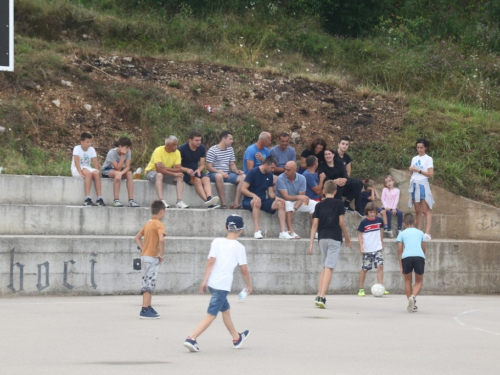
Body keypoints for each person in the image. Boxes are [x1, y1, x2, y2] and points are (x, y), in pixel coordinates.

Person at [183, 214, 252, 352]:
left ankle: (236, 337)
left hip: (213, 284)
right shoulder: (239, 247)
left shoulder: (217, 242)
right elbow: (244, 270)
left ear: (226, 227)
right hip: (222, 286)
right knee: (211, 314)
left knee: (225, 310)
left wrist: (205, 280)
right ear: (241, 230)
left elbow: (210, 262)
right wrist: (249, 285)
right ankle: (192, 338)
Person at [308, 180, 352, 309]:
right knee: (329, 267)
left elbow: (314, 225)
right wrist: (348, 238)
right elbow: (341, 223)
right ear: (335, 191)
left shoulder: (319, 205)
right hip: (334, 237)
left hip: (322, 238)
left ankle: (318, 294)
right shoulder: (339, 203)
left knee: (324, 266)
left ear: (323, 191)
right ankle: (322, 296)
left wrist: (311, 243)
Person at [241, 156, 292, 239]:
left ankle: (282, 232)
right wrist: (253, 195)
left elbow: (270, 193)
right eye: (271, 168)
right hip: (249, 200)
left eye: (274, 168)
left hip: (262, 200)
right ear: (266, 164)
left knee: (281, 203)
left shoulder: (270, 175)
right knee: (257, 202)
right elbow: (243, 189)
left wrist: (276, 198)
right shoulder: (253, 172)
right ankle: (257, 231)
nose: (273, 170)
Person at [134, 200, 166, 319]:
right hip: (152, 256)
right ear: (161, 212)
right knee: (149, 282)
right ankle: (145, 308)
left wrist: (143, 249)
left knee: (149, 281)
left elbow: (137, 237)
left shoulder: (148, 223)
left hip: (145, 256)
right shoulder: (158, 224)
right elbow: (161, 240)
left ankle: (148, 306)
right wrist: (161, 255)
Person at [145, 135, 189, 209]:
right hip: (151, 172)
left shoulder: (177, 152)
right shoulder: (158, 150)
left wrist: (165, 168)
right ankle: (161, 200)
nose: (176, 146)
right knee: (159, 175)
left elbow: (178, 169)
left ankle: (179, 201)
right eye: (174, 145)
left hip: (165, 173)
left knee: (180, 176)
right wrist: (173, 173)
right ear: (168, 145)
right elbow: (159, 170)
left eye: (176, 144)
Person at [178, 131, 220, 209]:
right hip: (185, 172)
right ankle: (208, 202)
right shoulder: (182, 149)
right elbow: (177, 166)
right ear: (190, 140)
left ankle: (209, 197)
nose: (199, 142)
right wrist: (187, 170)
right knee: (197, 180)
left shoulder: (202, 148)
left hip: (195, 170)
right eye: (196, 140)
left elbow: (202, 165)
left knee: (206, 178)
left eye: (200, 140)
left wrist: (198, 170)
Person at [276, 161, 317, 239]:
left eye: (288, 170)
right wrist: (298, 197)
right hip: (285, 200)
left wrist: (296, 207)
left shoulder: (302, 178)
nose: (285, 172)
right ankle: (291, 231)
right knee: (287, 203)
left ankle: (315, 231)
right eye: (285, 169)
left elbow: (302, 197)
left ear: (295, 170)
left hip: (298, 202)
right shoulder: (281, 178)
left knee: (315, 205)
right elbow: (285, 196)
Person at [206, 131, 246, 209]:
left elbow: (232, 164)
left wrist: (236, 171)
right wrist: (220, 172)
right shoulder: (213, 150)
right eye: (230, 139)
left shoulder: (230, 149)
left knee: (243, 177)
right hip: (214, 173)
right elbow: (208, 167)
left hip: (227, 173)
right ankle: (223, 203)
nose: (232, 141)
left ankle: (236, 203)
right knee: (219, 176)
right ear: (223, 139)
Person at [357, 202, 389, 297]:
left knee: (380, 267)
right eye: (370, 212)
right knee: (365, 269)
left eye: (374, 212)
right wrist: (361, 246)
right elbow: (359, 234)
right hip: (367, 249)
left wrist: (382, 243)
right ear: (367, 212)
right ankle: (361, 288)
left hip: (377, 248)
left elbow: (381, 232)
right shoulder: (363, 222)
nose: (372, 214)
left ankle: (381, 286)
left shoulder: (379, 220)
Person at [397, 213, 426, 313]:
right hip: (419, 256)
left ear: (403, 223)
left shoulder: (401, 234)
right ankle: (413, 297)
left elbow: (400, 250)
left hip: (406, 257)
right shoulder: (421, 233)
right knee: (419, 281)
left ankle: (411, 300)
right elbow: (423, 248)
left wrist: (401, 266)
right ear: (415, 222)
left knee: (407, 280)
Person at [101, 136, 139, 207]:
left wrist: (121, 173)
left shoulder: (128, 152)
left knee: (129, 174)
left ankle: (131, 200)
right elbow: (117, 168)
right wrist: (122, 156)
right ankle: (116, 200)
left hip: (119, 171)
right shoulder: (111, 153)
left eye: (129, 148)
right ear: (120, 146)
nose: (128, 150)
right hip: (107, 170)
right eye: (126, 147)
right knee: (118, 173)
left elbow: (127, 167)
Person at [409, 138, 434, 241]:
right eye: (418, 147)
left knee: (425, 210)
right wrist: (411, 170)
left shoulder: (428, 159)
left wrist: (418, 170)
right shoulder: (414, 158)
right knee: (417, 210)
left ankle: (427, 232)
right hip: (414, 184)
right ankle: (419, 231)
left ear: (426, 148)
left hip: (423, 184)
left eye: (421, 148)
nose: (419, 150)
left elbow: (430, 174)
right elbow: (412, 172)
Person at [71, 132, 105, 206]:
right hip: (77, 168)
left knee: (95, 173)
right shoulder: (77, 148)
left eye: (90, 142)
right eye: (87, 142)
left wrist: (97, 171)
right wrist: (80, 172)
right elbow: (76, 162)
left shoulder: (91, 149)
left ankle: (99, 198)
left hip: (87, 168)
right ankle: (87, 198)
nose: (89, 144)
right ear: (81, 142)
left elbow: (95, 162)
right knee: (88, 173)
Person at [336, 136, 363, 215]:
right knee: (341, 181)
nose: (344, 146)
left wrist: (345, 179)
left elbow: (348, 172)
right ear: (338, 144)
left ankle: (355, 207)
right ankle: (341, 205)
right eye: (343, 143)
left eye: (346, 144)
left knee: (359, 183)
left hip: (344, 180)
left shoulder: (347, 158)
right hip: (335, 180)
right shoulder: (333, 155)